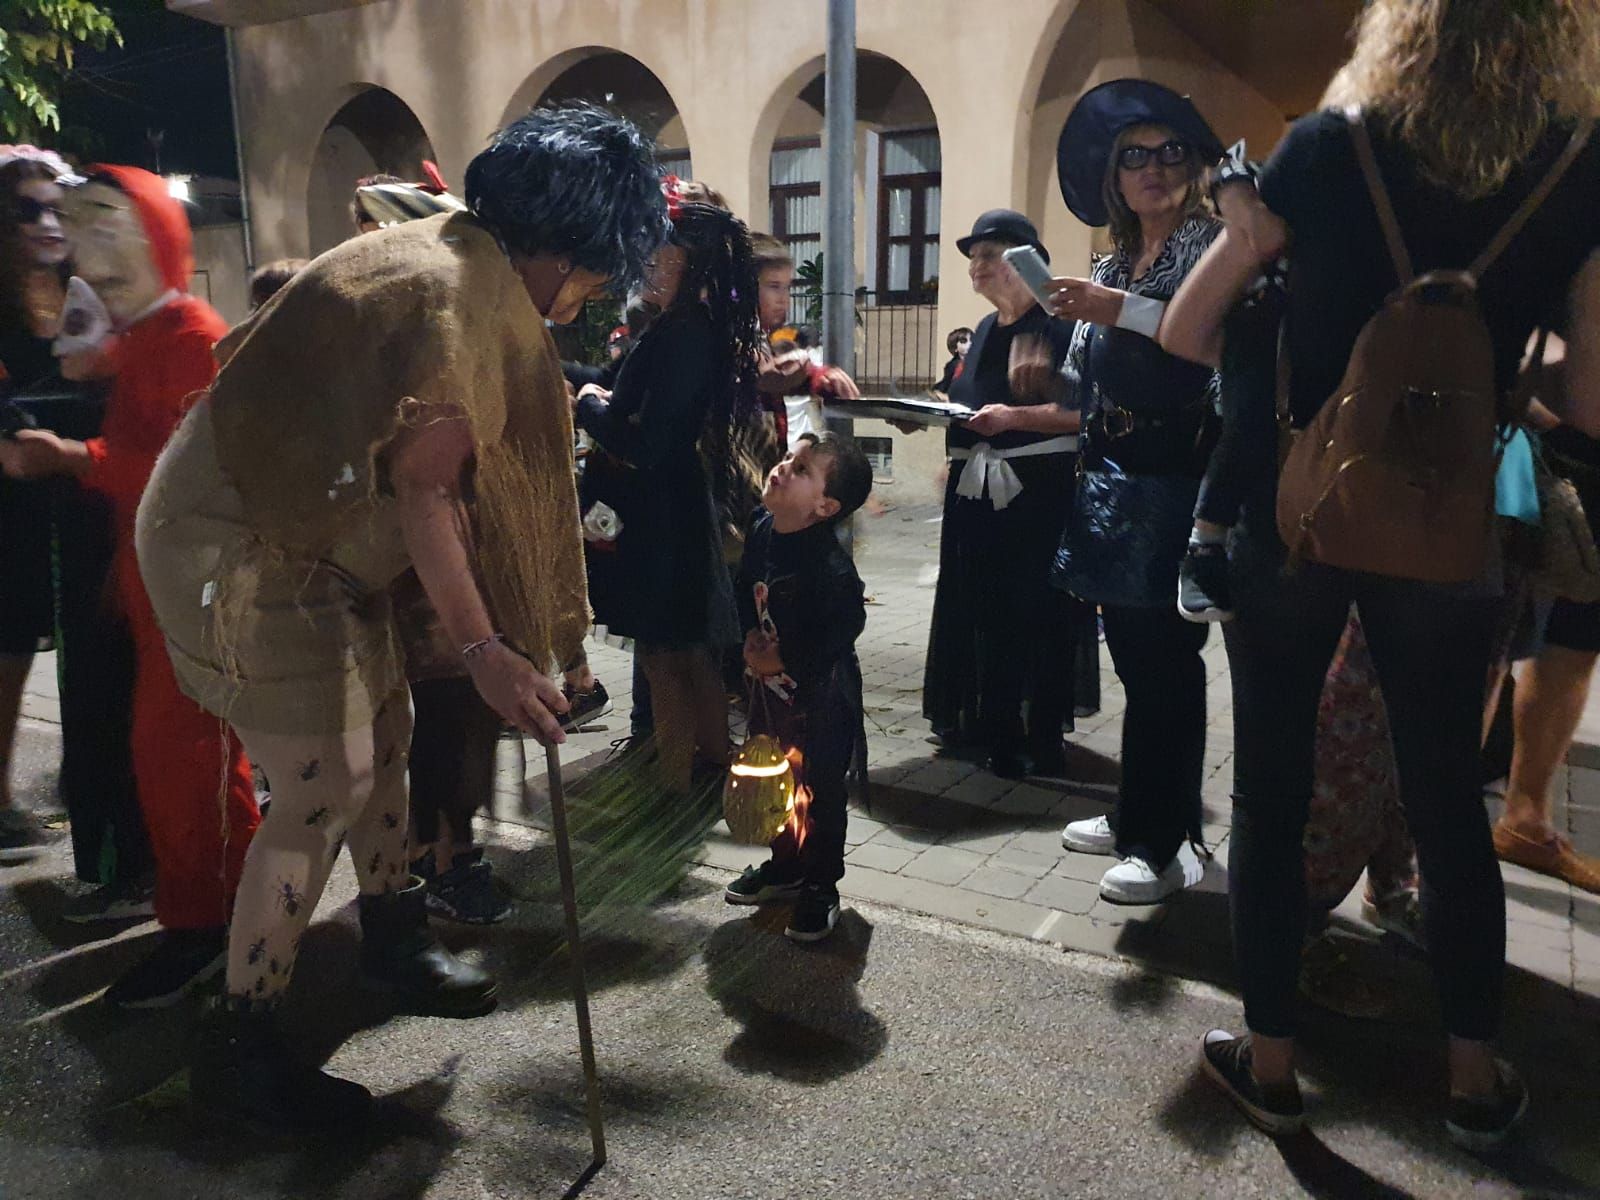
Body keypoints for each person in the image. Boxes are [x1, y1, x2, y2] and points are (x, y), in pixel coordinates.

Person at [132, 103, 667, 1130]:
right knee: (321, 787)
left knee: (388, 730)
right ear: (566, 245)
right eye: (602, 266)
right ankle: (240, 1046)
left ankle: (392, 933)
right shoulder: (456, 297)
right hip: (244, 538)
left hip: (304, 522)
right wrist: (488, 652)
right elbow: (429, 493)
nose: (601, 291)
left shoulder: (461, 252)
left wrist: (490, 640)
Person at [1160, 0, 1600, 1147]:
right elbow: (1590, 402)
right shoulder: (1579, 167)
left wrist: (1251, 231)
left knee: (1269, 793)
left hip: (1297, 517)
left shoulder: (1326, 145)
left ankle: (1270, 1067)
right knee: (1450, 805)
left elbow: (1185, 334)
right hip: (1452, 527)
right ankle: (1470, 1080)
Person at [1, 166, 262, 1007]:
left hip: (194, 594)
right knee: (174, 762)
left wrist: (72, 458)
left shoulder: (186, 335)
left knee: (192, 762)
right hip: (161, 590)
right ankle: (207, 922)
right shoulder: (155, 331)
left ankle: (215, 930)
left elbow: (191, 469)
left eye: (108, 226)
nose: (88, 247)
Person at [1047, 82, 1223, 902]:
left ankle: (1167, 840)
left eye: (1169, 152)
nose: (1153, 169)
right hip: (1113, 485)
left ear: (1193, 166)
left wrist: (1118, 310)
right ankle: (1134, 815)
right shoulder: (1114, 261)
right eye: (1134, 157)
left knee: (1167, 670)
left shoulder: (1213, 247)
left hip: (1180, 483)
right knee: (1135, 663)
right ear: (1113, 178)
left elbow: (1212, 348)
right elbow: (1091, 371)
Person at [575, 180, 759, 793]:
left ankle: (675, 784)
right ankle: (706, 766)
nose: (649, 265)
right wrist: (585, 388)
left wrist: (589, 408)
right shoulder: (674, 324)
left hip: (662, 510)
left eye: (662, 257)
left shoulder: (686, 334)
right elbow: (614, 388)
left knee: (665, 654)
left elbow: (649, 442)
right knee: (686, 650)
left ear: (693, 264)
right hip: (665, 504)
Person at [921, 209, 1080, 779]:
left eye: (988, 256)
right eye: (973, 259)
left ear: (1025, 260)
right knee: (980, 606)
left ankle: (1036, 735)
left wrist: (1015, 416)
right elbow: (969, 400)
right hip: (976, 492)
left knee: (1031, 611)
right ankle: (988, 723)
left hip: (1036, 496)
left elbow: (1087, 413)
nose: (975, 269)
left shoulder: (1062, 326)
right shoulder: (985, 331)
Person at [724, 431, 873, 942]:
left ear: (824, 507)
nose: (783, 467)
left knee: (820, 788)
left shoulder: (829, 567)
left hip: (821, 694)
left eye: (802, 469)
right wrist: (748, 639)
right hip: (772, 693)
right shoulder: (764, 528)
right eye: (789, 457)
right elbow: (745, 586)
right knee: (774, 776)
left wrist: (785, 658)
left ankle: (820, 885)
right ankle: (784, 866)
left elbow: (842, 628)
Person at [1494, 425, 1600, 894]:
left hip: (1558, 455)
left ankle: (1525, 818)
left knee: (1570, 635)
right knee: (1499, 638)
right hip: (1561, 460)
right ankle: (1404, 849)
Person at [749, 232, 860, 451]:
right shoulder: (726, 333)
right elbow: (763, 375)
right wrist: (809, 372)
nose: (783, 298)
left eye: (787, 287)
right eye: (773, 286)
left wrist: (822, 378)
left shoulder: (758, 334)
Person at [934, 326, 972, 394]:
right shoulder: (952, 366)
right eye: (964, 341)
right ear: (955, 348)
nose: (970, 343)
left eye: (972, 340)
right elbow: (946, 384)